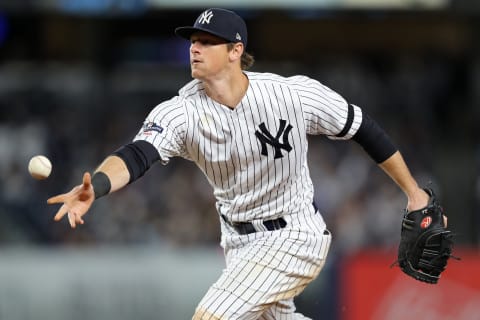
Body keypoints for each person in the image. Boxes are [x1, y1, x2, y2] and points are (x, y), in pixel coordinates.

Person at [48, 8, 432, 320]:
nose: (194, 48)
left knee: (212, 317)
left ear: (235, 50)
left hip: (295, 235)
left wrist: (414, 194)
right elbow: (137, 155)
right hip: (237, 241)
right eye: (193, 41)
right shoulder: (181, 112)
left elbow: (363, 127)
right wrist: (95, 186)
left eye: (207, 42)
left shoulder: (290, 95)